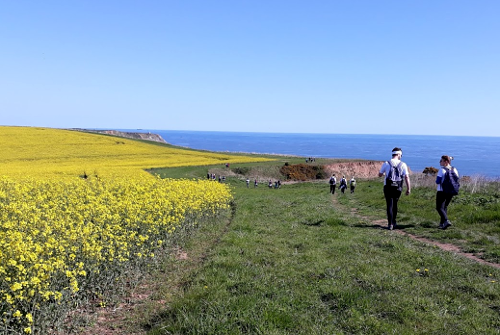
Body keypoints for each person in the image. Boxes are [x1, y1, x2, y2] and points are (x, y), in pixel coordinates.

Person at [378, 147, 411, 230]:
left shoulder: (386, 163)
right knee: (395, 204)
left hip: (388, 186)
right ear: (399, 154)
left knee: (389, 204)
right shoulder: (403, 164)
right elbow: (406, 177)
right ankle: (394, 222)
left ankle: (390, 224)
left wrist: (384, 173)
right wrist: (408, 188)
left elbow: (380, 174)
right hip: (398, 187)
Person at [436, 155, 459, 229]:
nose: (440, 162)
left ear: (446, 162)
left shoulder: (441, 170)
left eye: (441, 160)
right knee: (445, 207)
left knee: (439, 207)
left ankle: (446, 220)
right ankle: (442, 224)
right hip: (451, 191)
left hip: (441, 191)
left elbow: (438, 181)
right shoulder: (454, 169)